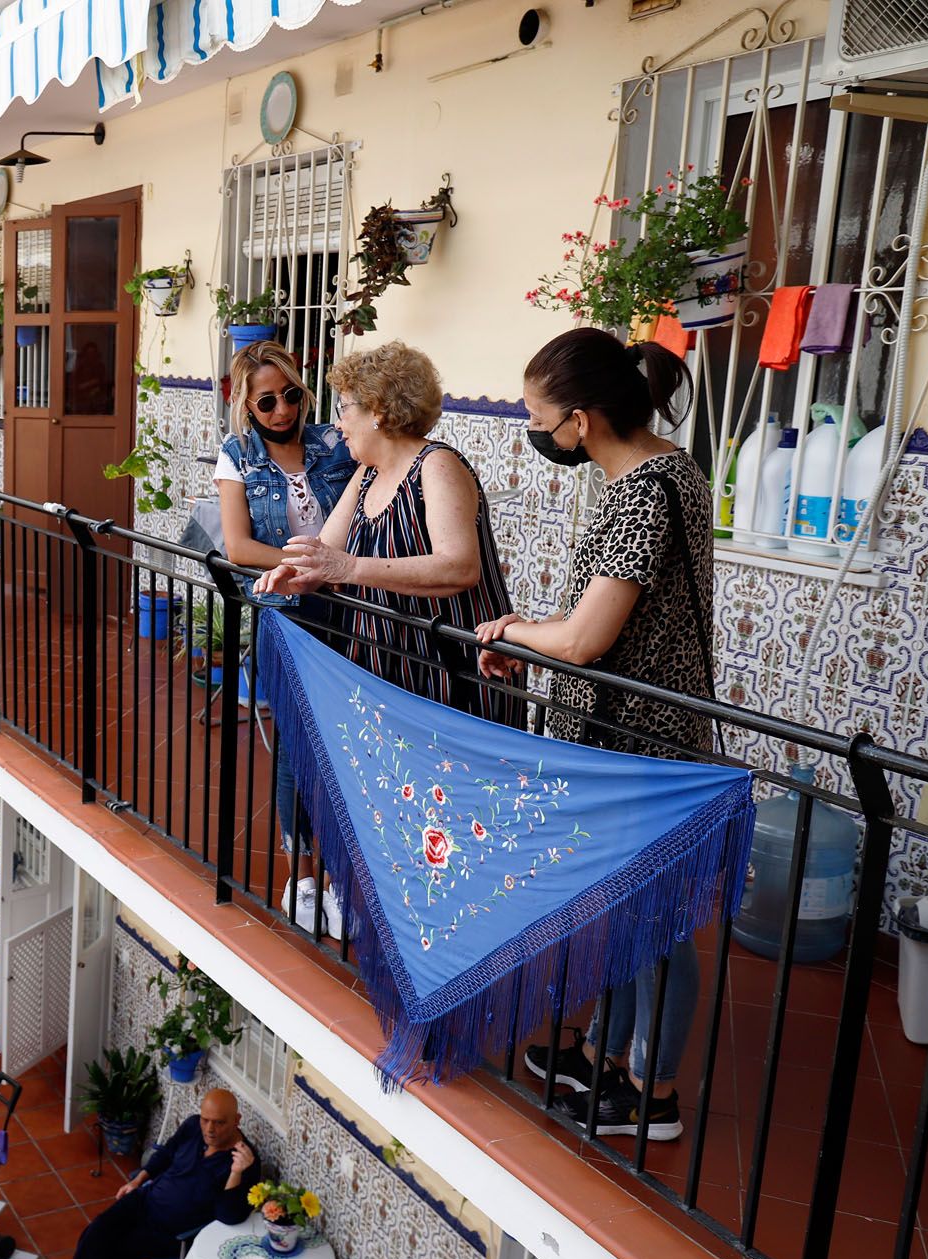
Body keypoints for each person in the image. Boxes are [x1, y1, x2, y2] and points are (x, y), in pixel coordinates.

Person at [474, 326, 707, 1142]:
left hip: (640, 742)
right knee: (622, 909)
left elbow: (585, 639)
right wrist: (532, 641)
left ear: (581, 419)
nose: (536, 433)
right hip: (619, 733)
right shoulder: (649, 474)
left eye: (539, 418)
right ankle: (610, 1056)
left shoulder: (647, 489)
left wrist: (512, 631)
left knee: (656, 919)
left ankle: (654, 1092)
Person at [254, 341, 523, 934]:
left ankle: (458, 931)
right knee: (398, 800)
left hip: (449, 673)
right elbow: (327, 551)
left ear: (378, 409)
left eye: (344, 406)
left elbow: (459, 567)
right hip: (390, 667)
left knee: (452, 808)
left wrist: (343, 569)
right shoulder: (369, 473)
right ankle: (399, 915)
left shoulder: (438, 466)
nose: (336, 420)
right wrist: (292, 575)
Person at [213, 341, 356, 905]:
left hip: (347, 610)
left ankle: (341, 873)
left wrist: (341, 570)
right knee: (299, 744)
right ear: (247, 405)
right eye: (267, 401)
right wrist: (308, 566)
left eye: (290, 396)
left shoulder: (333, 441)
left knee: (345, 741)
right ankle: (302, 876)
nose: (282, 411)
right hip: (286, 612)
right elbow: (240, 545)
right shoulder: (239, 455)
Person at [28, 1088, 259, 1259]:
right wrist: (137, 1181)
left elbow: (228, 1216)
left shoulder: (245, 1160)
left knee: (109, 1253)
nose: (210, 1129)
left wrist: (236, 1173)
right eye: (205, 1120)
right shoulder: (193, 1127)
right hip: (145, 1199)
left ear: (236, 1121)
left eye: (219, 1123)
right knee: (95, 1232)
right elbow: (167, 1153)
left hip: (170, 1231)